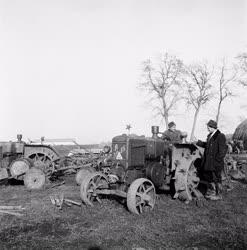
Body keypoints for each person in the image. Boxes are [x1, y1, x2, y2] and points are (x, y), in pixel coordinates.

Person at [196, 119, 227, 200]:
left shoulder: (220, 136)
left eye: (208, 127)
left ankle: (219, 195)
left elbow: (222, 150)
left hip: (216, 163)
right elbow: (208, 146)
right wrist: (198, 142)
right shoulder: (210, 136)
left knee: (217, 178)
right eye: (208, 127)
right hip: (209, 162)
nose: (207, 129)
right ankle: (213, 193)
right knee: (210, 178)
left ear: (213, 127)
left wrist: (217, 161)